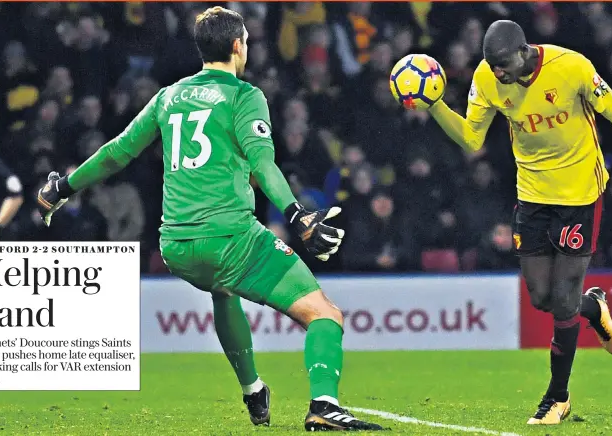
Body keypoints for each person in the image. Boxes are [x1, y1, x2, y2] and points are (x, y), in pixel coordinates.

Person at [37, 7, 383, 432]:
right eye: (248, 42)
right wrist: (298, 214)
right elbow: (263, 164)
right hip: (231, 239)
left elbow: (117, 152)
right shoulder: (244, 96)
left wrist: (62, 187)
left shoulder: (168, 96)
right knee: (324, 313)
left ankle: (253, 389)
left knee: (222, 289)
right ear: (238, 46)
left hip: (177, 247)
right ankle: (324, 405)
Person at [427, 20, 612, 425]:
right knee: (542, 297)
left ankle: (557, 397)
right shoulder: (487, 77)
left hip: (579, 196)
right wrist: (436, 105)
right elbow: (472, 138)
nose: (498, 73)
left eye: (503, 65)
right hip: (532, 197)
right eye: (492, 66)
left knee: (561, 297)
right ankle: (593, 308)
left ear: (524, 51)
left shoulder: (571, 67)